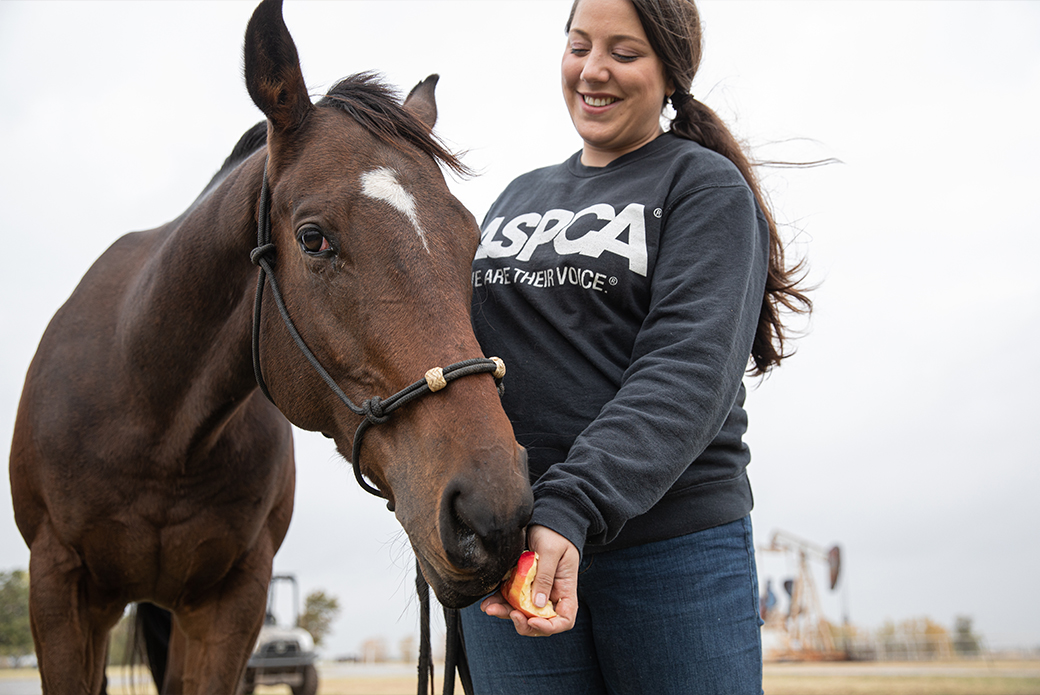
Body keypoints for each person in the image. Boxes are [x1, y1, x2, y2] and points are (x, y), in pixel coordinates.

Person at [462, 0, 811, 693]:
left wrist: (572, 504)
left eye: (624, 53)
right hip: (515, 552)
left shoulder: (703, 187)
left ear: (671, 73)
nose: (593, 71)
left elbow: (688, 370)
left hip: (672, 555)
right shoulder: (513, 198)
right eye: (579, 45)